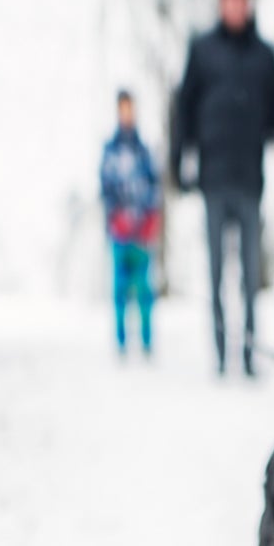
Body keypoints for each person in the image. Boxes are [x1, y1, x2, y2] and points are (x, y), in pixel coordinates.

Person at [172, 0, 274, 376]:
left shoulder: (264, 55)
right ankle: (222, 355)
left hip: (250, 180)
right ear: (222, 2)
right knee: (218, 272)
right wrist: (178, 161)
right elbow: (183, 108)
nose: (237, 5)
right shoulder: (202, 51)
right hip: (214, 180)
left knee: (250, 275)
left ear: (249, 3)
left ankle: (250, 353)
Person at [100, 90, 162, 356]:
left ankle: (147, 342)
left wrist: (150, 218)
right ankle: (121, 342)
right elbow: (104, 189)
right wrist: (115, 217)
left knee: (144, 290)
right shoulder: (110, 151)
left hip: (141, 233)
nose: (127, 114)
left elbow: (154, 187)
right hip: (119, 233)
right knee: (120, 290)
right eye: (122, 109)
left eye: (130, 108)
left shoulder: (143, 151)